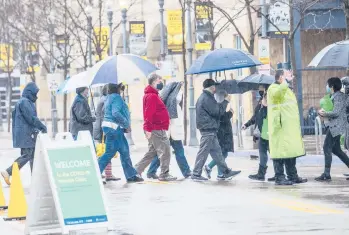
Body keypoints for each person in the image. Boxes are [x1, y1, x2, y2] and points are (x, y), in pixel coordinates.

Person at [192, 78, 241, 181]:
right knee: (203, 152)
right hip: (208, 129)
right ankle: (196, 174)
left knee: (218, 153)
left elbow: (214, 110)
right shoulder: (207, 98)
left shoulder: (205, 97)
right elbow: (217, 112)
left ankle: (226, 172)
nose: (215, 88)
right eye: (214, 86)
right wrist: (226, 101)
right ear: (212, 87)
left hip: (210, 129)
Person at [1, 82, 47, 185]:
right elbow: (31, 119)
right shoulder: (25, 102)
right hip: (27, 134)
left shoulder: (24, 101)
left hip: (26, 134)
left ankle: (35, 180)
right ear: (30, 92)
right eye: (35, 93)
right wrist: (42, 126)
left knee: (31, 156)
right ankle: (8, 172)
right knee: (28, 155)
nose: (36, 96)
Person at [267, 70, 307, 185]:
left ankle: (292, 176)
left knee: (290, 152)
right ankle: (279, 177)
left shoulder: (286, 89)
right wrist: (286, 82)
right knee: (280, 152)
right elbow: (277, 95)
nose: (289, 77)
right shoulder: (273, 88)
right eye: (286, 76)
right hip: (280, 126)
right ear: (280, 77)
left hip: (289, 126)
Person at [135, 74, 177, 181]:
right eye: (159, 80)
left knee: (152, 152)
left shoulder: (152, 95)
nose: (161, 83)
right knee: (166, 150)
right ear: (154, 82)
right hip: (156, 128)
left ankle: (136, 171)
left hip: (155, 127)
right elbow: (149, 113)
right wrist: (148, 129)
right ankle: (164, 174)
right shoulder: (152, 96)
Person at [98, 83, 143, 183]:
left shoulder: (109, 98)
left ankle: (131, 175)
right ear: (117, 90)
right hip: (114, 128)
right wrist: (126, 124)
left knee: (124, 151)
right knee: (110, 152)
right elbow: (116, 113)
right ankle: (95, 173)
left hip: (113, 128)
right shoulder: (116, 97)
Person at [146, 82, 191, 179]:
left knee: (164, 152)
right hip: (170, 130)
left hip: (170, 130)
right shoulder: (171, 101)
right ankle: (186, 172)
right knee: (177, 151)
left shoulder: (168, 101)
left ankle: (151, 171)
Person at [316, 77, 349, 181]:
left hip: (336, 126)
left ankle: (326, 174)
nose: (327, 87)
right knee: (336, 149)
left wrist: (324, 113)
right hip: (335, 125)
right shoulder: (335, 96)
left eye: (327, 85)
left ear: (332, 87)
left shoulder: (339, 96)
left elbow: (336, 112)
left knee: (327, 147)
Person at [203, 91, 235, 179]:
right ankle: (209, 167)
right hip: (222, 133)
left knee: (221, 153)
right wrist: (231, 113)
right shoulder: (218, 107)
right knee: (222, 154)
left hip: (222, 132)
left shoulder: (216, 106)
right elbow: (222, 117)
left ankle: (220, 173)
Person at [93, 84, 120, 182]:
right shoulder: (105, 100)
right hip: (105, 129)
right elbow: (107, 114)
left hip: (101, 128)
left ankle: (107, 173)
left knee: (106, 151)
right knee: (107, 151)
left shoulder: (103, 99)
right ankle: (103, 173)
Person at [247, 91, 274, 181]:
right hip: (262, 135)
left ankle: (278, 174)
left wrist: (265, 107)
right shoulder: (260, 107)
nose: (264, 99)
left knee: (274, 155)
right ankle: (261, 174)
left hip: (271, 136)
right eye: (264, 98)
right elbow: (255, 118)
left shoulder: (272, 108)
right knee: (262, 155)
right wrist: (246, 124)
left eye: (266, 98)